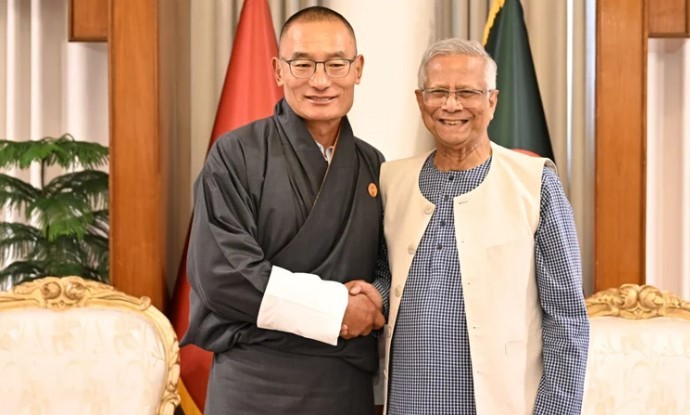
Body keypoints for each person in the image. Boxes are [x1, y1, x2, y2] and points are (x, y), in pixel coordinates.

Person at [354, 38, 590, 414]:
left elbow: (567, 318)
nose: (451, 105)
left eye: (467, 92)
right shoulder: (391, 179)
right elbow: (387, 272)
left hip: (501, 402)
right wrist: (370, 297)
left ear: (492, 101)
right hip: (407, 402)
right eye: (438, 92)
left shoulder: (535, 183)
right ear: (420, 100)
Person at [181, 6, 385, 415]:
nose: (320, 81)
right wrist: (338, 308)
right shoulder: (235, 155)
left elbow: (391, 261)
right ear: (278, 70)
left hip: (342, 383)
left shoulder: (373, 164)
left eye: (336, 64)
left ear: (358, 69)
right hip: (254, 382)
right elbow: (224, 275)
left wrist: (376, 295)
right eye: (302, 64)